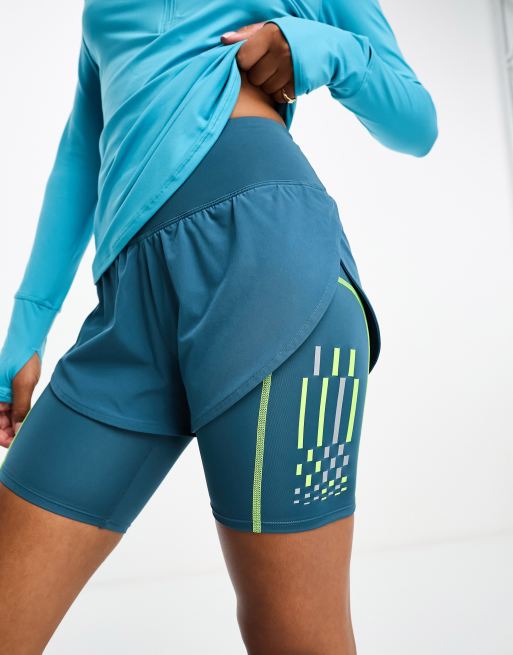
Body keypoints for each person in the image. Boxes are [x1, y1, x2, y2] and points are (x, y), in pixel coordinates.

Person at [0, 2, 437, 653]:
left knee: (294, 634)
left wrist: (314, 45)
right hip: (129, 302)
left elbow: (416, 120)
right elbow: (81, 156)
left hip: (266, 265)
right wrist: (24, 334)